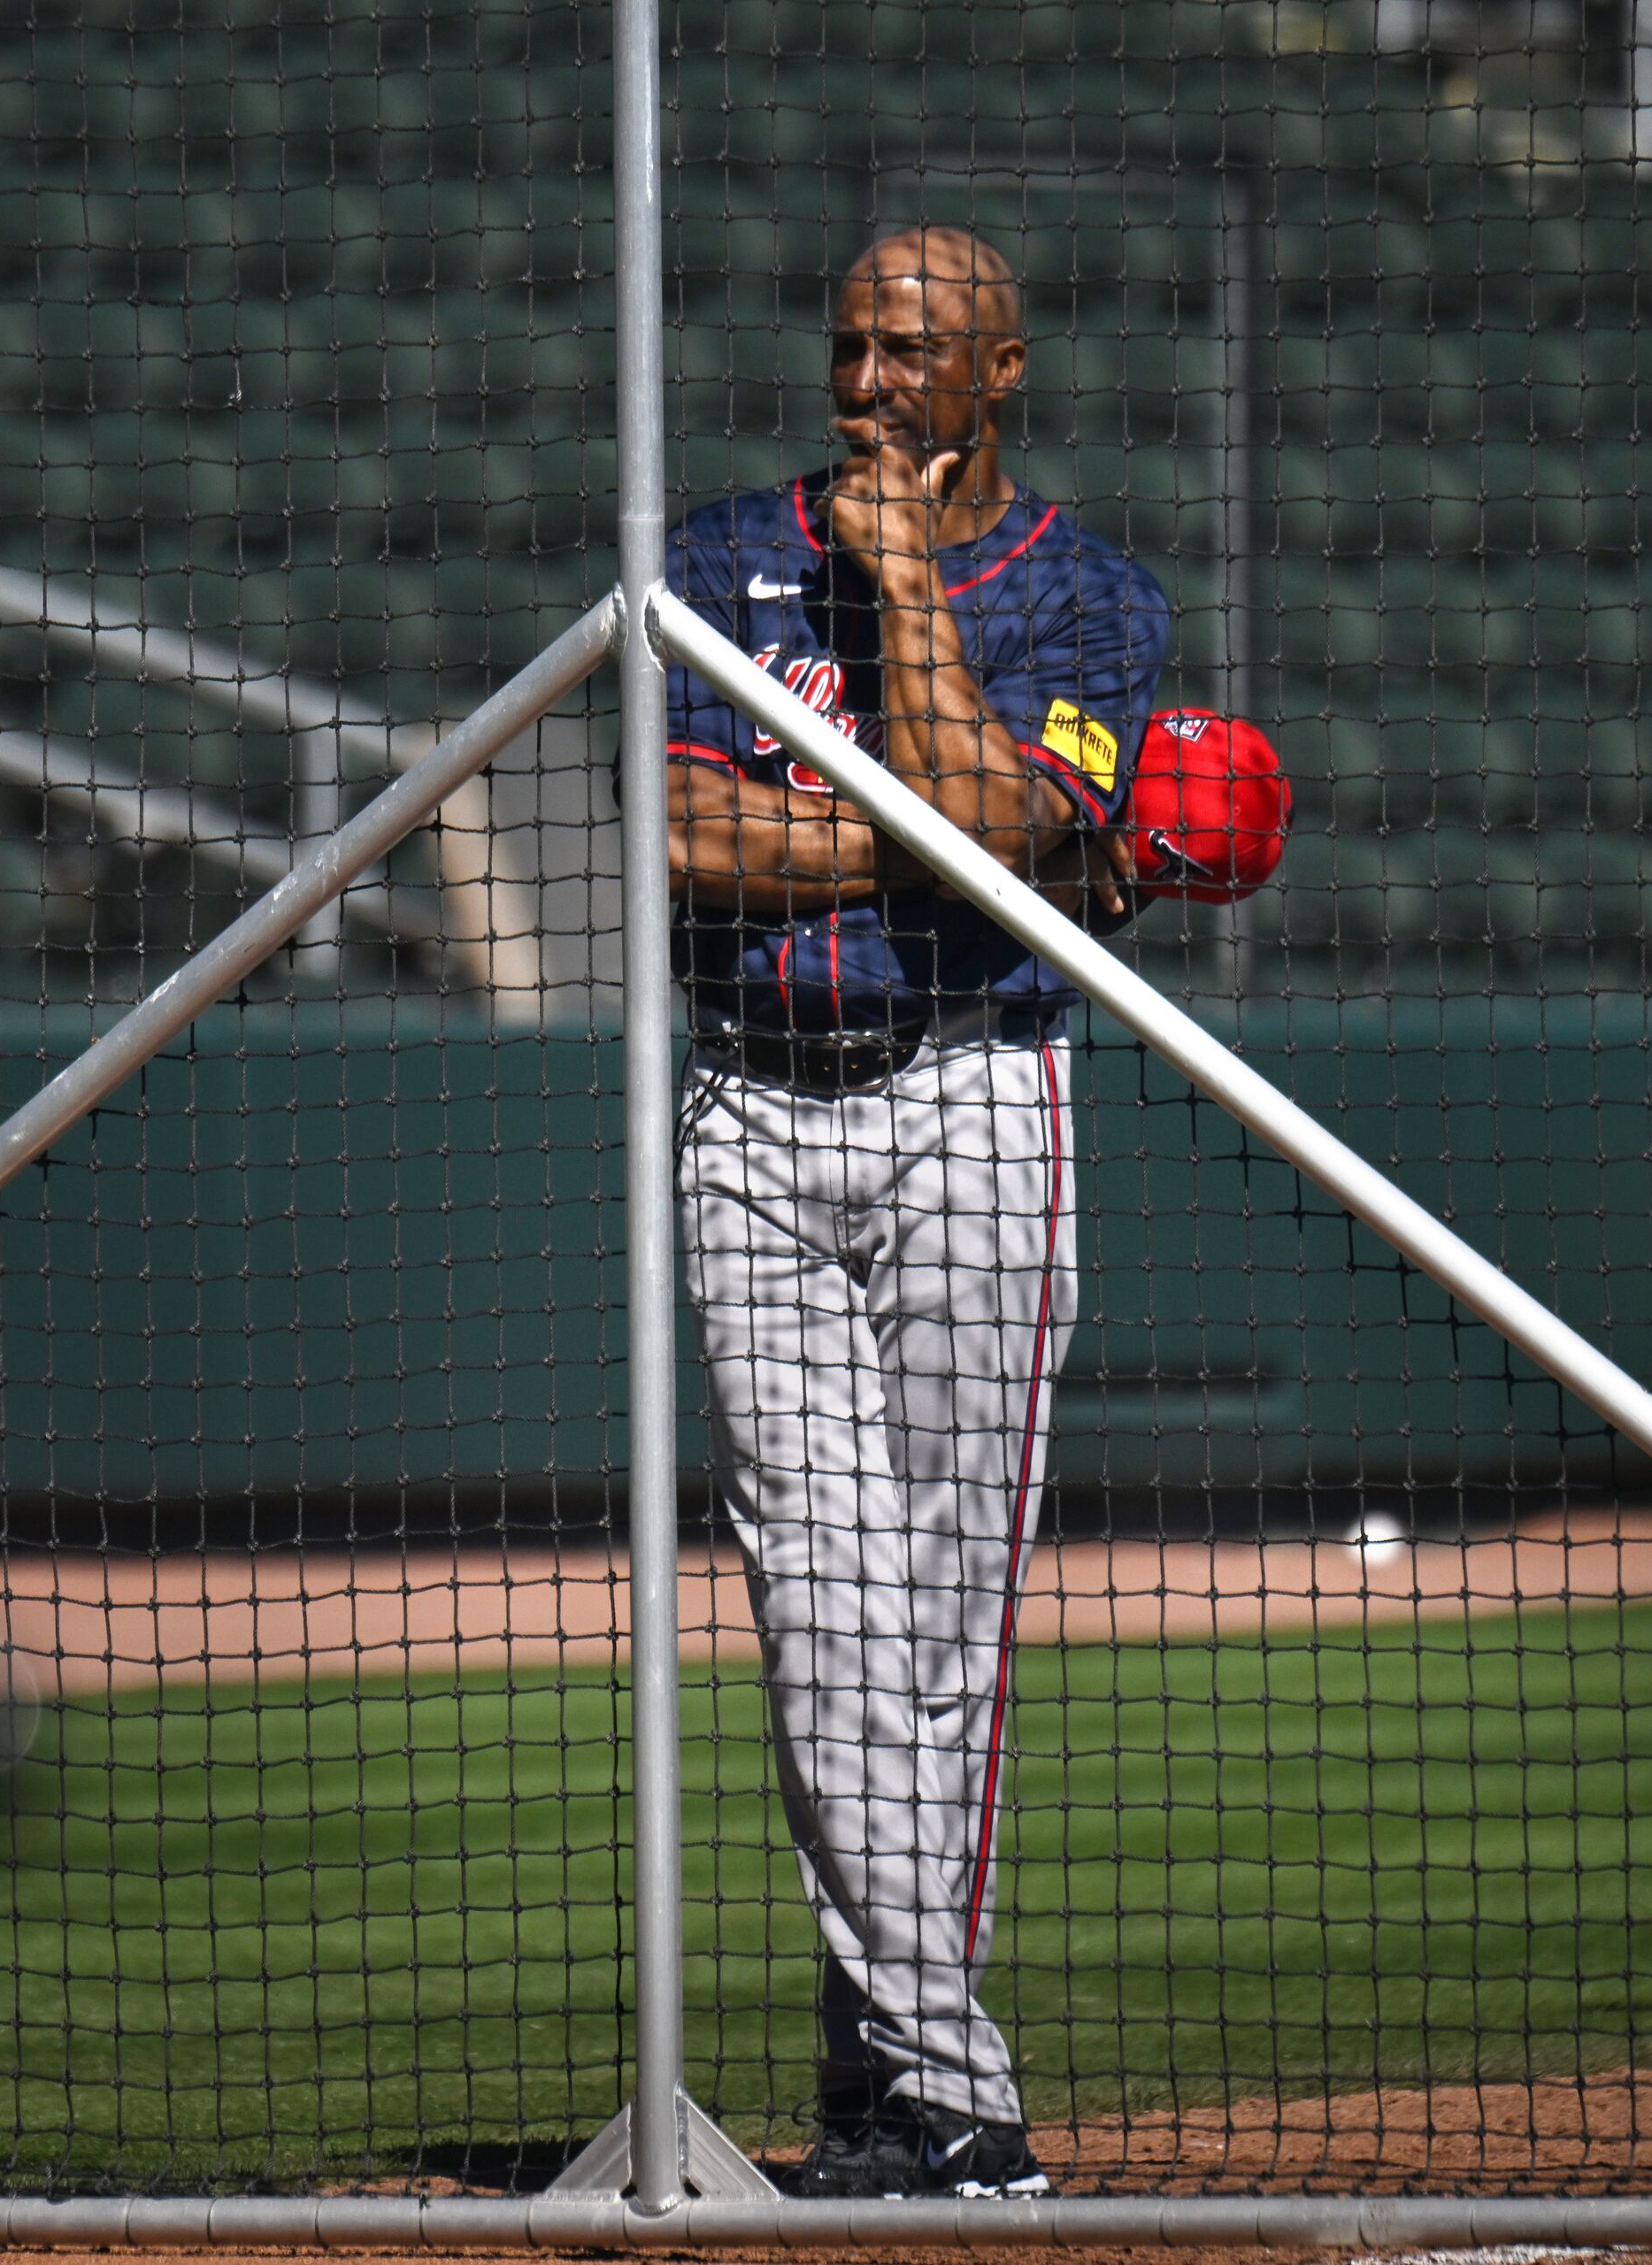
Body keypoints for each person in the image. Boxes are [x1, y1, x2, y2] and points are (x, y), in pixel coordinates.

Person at [662, 225, 1173, 2201]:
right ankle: (953, 2090)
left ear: (1001, 371)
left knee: (943, 1627)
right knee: (823, 1604)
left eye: (909, 351)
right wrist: (930, 835)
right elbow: (693, 827)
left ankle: (883, 2093)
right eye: (850, 344)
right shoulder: (717, 559)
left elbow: (1008, 824)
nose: (866, 383)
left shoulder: (1093, 599)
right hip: (753, 1104)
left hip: (977, 1093)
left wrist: (894, 604)